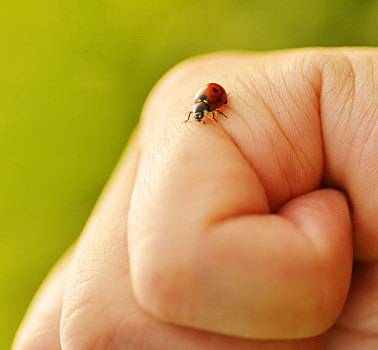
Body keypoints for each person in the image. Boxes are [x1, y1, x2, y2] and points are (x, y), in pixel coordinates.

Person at [13, 48, 377, 350]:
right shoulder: (204, 107)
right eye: (203, 113)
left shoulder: (221, 107)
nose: (203, 115)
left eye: (204, 112)